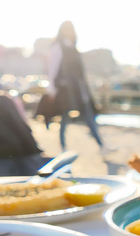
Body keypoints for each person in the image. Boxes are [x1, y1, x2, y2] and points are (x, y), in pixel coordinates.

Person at [46, 21, 103, 151]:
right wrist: (51, 90)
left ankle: (100, 144)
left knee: (88, 115)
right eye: (67, 29)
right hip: (66, 90)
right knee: (64, 118)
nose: (70, 31)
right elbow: (52, 68)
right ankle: (63, 146)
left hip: (78, 89)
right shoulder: (58, 46)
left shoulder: (72, 46)